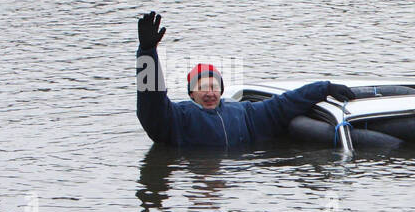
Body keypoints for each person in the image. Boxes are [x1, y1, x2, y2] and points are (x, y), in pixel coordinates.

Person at [135, 11, 354, 147]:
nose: (210, 92)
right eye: (203, 88)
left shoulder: (245, 113)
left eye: (214, 86)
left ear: (221, 90)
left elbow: (284, 104)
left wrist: (324, 88)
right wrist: (147, 53)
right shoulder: (176, 119)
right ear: (191, 94)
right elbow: (151, 104)